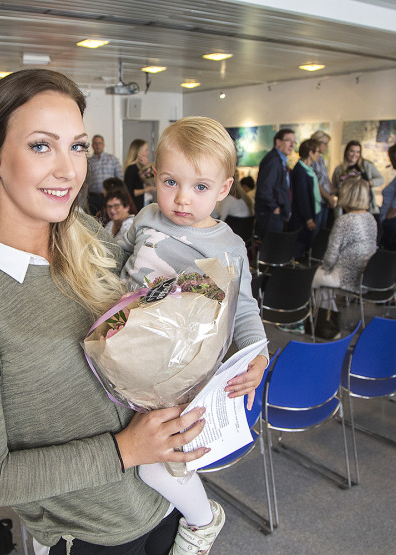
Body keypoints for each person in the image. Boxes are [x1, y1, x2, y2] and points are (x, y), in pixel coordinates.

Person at [0, 69, 264, 554]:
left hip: (164, 503)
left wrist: (242, 355)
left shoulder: (85, 235)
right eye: (42, 145)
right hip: (92, 533)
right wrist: (126, 450)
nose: (68, 170)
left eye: (78, 147)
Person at [119, 116, 269, 554]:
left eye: (200, 187)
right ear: (154, 177)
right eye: (171, 182)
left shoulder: (228, 247)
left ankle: (203, 521)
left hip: (176, 369)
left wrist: (258, 357)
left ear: (224, 189)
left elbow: (243, 308)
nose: (182, 198)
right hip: (125, 347)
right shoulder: (148, 216)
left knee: (154, 464)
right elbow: (116, 260)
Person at [313, 177, 377, 309]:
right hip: (366, 275)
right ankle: (327, 320)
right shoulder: (371, 219)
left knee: (310, 277)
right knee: (322, 282)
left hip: (345, 277)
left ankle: (323, 321)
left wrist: (323, 267)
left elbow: (330, 257)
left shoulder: (344, 221)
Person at [254, 128, 295, 236]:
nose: (292, 145)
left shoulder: (280, 160)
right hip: (270, 215)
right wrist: (274, 207)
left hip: (275, 214)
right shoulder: (273, 160)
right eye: (289, 141)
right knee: (270, 250)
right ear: (278, 142)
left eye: (293, 142)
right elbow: (264, 188)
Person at [289, 138, 323, 258]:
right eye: (317, 151)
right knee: (300, 246)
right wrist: (308, 218)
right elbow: (302, 196)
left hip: (313, 212)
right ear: (310, 152)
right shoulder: (300, 171)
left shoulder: (308, 169)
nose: (319, 154)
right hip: (303, 218)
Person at [331, 140, 384, 214]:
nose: (354, 154)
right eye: (352, 151)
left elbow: (380, 180)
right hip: (345, 207)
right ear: (346, 152)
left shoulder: (367, 165)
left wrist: (368, 183)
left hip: (365, 206)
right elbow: (334, 187)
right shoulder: (339, 169)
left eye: (358, 152)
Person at [85, 134, 123, 215]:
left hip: (110, 196)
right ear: (92, 145)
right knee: (93, 219)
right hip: (93, 197)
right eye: (95, 143)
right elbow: (84, 180)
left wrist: (116, 194)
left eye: (100, 143)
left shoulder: (112, 159)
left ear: (103, 144)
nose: (97, 146)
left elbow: (119, 178)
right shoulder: (88, 161)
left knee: (109, 218)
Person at [309, 130, 337, 229]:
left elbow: (325, 178)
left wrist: (331, 195)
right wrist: (328, 198)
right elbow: (315, 183)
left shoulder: (320, 159)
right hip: (318, 202)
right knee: (315, 232)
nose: (327, 147)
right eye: (325, 143)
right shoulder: (312, 161)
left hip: (325, 201)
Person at [123, 139, 156, 209]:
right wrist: (146, 190)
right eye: (146, 150)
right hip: (136, 206)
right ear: (138, 152)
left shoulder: (141, 167)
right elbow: (129, 192)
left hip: (145, 202)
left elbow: (153, 180)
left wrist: (147, 165)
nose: (148, 152)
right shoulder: (131, 169)